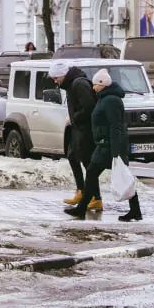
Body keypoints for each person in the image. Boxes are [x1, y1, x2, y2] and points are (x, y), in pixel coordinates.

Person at [66, 69, 142, 222]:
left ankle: (135, 210)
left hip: (110, 147)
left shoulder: (111, 101)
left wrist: (115, 152)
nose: (93, 88)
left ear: (102, 84)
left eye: (95, 85)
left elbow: (115, 126)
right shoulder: (104, 98)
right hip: (104, 145)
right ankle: (134, 211)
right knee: (92, 174)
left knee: (117, 177)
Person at [50, 61, 99, 211]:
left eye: (56, 77)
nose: (55, 81)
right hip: (77, 129)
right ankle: (81, 191)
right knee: (72, 156)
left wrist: (76, 117)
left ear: (63, 75)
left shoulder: (78, 84)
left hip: (85, 130)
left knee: (87, 163)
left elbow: (89, 106)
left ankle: (96, 198)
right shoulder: (71, 85)